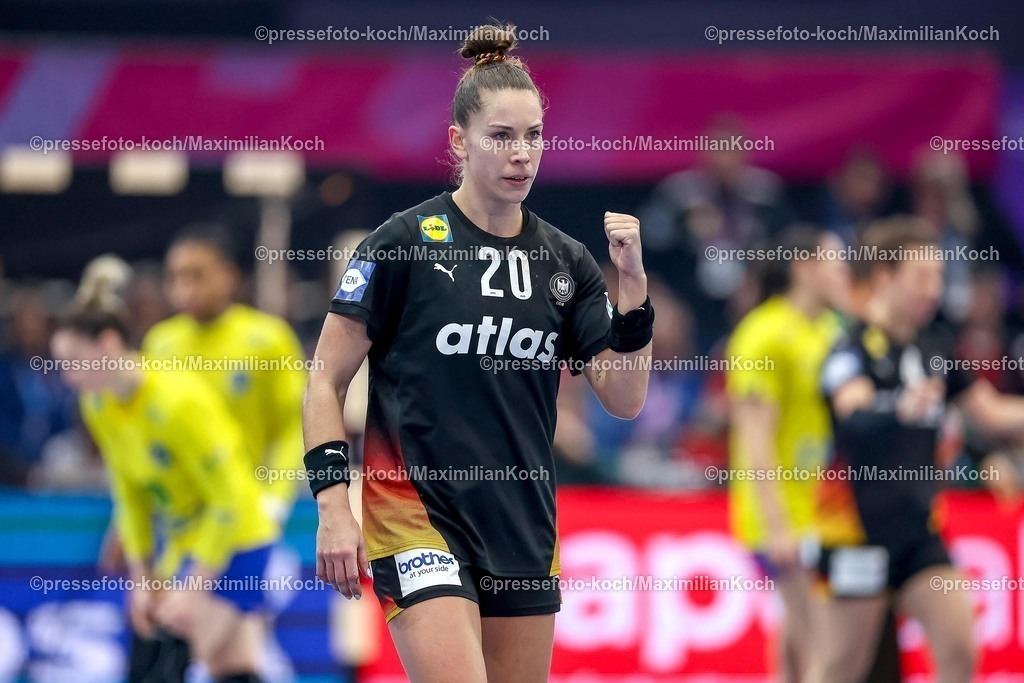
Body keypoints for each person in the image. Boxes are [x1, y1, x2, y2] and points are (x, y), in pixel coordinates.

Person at [302, 24, 652, 683]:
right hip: (413, 513)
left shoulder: (566, 262)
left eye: (533, 136)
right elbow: (325, 379)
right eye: (502, 136)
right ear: (459, 142)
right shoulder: (401, 242)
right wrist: (330, 507)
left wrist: (632, 292)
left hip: (521, 520)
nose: (522, 154)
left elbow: (625, 397)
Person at [808, 218, 1024, 683]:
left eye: (940, 277)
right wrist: (899, 409)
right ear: (885, 276)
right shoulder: (851, 346)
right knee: (841, 667)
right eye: (923, 277)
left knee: (959, 650)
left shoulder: (934, 348)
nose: (935, 289)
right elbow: (852, 412)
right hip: (855, 535)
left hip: (919, 534)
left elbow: (989, 412)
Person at [51, 256, 279, 683]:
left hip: (238, 539)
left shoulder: (178, 402)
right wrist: (142, 578)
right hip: (185, 541)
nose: (67, 376)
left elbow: (228, 499)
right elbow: (130, 495)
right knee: (232, 668)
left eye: (72, 361)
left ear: (106, 344)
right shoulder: (98, 403)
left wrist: (192, 586)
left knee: (162, 660)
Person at [725, 227, 850, 683]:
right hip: (779, 515)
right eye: (835, 264)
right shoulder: (763, 334)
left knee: (798, 646)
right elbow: (755, 441)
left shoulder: (833, 330)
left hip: (822, 510)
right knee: (825, 648)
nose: (845, 274)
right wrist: (779, 527)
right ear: (805, 268)